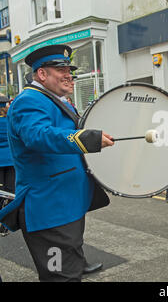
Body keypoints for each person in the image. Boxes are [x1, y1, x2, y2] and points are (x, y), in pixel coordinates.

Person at [0, 44, 115, 282]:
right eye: (61, 69)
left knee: (69, 265)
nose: (69, 75)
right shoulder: (28, 100)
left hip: (65, 204)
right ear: (42, 74)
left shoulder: (54, 100)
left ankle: (76, 262)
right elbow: (38, 136)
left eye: (69, 70)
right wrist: (87, 139)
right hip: (50, 209)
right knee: (60, 277)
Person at [0, 95, 15, 236]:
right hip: (11, 158)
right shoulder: (10, 120)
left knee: (0, 189)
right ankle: (7, 222)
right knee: (11, 190)